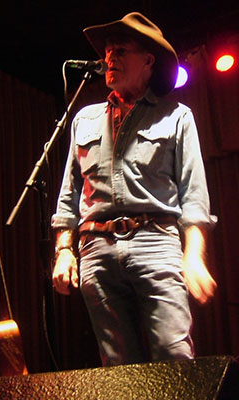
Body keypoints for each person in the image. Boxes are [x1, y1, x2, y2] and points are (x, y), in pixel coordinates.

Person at [51, 12, 217, 367]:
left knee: (174, 356)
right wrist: (64, 251)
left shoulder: (177, 116)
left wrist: (194, 256)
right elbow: (68, 194)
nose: (110, 57)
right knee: (118, 367)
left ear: (147, 61)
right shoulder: (84, 119)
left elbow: (194, 195)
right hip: (95, 248)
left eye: (120, 50)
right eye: (108, 51)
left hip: (156, 243)